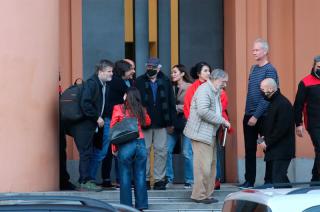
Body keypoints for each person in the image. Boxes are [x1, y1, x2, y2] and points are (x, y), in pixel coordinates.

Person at [64, 59, 114, 191]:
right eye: (109, 71)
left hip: (92, 125)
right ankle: (85, 180)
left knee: (90, 151)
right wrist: (97, 117)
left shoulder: (103, 85)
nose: (111, 74)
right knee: (86, 152)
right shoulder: (92, 84)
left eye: (112, 71)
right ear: (100, 71)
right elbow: (85, 103)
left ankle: (85, 179)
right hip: (84, 124)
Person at [184, 69, 230, 204]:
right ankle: (199, 195)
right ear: (217, 79)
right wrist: (222, 121)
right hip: (201, 134)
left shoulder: (214, 91)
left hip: (209, 134)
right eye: (224, 82)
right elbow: (203, 111)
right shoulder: (205, 90)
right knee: (203, 167)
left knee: (211, 166)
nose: (225, 85)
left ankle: (207, 195)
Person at [90, 59, 135, 189]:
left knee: (107, 151)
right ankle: (91, 178)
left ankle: (96, 178)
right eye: (130, 69)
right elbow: (130, 95)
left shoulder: (111, 82)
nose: (132, 71)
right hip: (112, 119)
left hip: (111, 119)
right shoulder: (117, 82)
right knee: (105, 151)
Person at [240, 38, 279, 188]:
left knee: (266, 147)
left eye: (256, 50)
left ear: (265, 51)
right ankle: (249, 180)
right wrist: (249, 114)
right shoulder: (253, 69)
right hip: (248, 114)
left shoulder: (270, 70)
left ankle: (268, 180)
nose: (253, 52)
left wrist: (256, 115)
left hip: (263, 116)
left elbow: (268, 95)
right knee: (249, 149)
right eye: (253, 49)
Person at [136, 57, 176, 190]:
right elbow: (135, 102)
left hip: (162, 122)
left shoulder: (165, 81)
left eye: (153, 67)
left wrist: (171, 122)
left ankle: (159, 180)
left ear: (159, 68)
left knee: (161, 152)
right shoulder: (139, 81)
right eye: (148, 66)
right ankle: (145, 179)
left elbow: (171, 102)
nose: (150, 69)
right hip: (144, 123)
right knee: (144, 152)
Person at [110, 87, 151, 210]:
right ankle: (141, 205)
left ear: (126, 96)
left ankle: (126, 206)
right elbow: (148, 122)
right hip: (140, 142)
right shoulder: (141, 109)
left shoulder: (119, 108)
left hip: (126, 144)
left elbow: (113, 127)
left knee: (125, 175)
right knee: (140, 175)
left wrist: (114, 146)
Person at [258, 78, 295, 188]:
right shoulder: (274, 102)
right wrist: (262, 139)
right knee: (279, 178)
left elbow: (281, 129)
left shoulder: (282, 104)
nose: (261, 91)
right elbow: (271, 125)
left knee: (278, 178)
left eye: (262, 89)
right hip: (275, 149)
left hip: (282, 150)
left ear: (270, 89)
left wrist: (267, 142)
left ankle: (288, 201)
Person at [165, 64, 193, 189]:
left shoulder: (190, 87)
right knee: (167, 150)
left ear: (182, 73)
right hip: (173, 123)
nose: (173, 74)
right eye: (172, 72)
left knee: (187, 152)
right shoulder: (170, 87)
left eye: (175, 72)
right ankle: (169, 178)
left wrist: (176, 108)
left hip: (187, 123)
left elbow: (192, 105)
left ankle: (190, 180)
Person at [294, 55, 320, 184]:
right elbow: (298, 104)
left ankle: (315, 179)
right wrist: (298, 123)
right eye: (319, 67)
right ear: (314, 66)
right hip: (313, 123)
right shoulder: (305, 82)